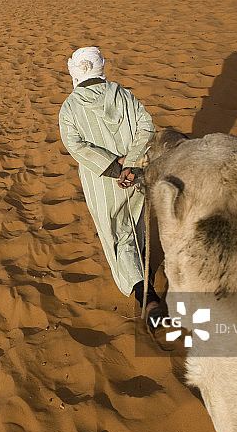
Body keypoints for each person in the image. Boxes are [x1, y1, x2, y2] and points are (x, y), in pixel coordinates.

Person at [58, 46, 161, 329]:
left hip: (102, 183)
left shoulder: (69, 107)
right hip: (135, 176)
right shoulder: (124, 95)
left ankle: (146, 295)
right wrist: (132, 164)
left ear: (74, 72)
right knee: (136, 226)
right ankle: (145, 275)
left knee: (118, 237)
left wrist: (115, 167)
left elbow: (75, 145)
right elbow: (146, 128)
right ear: (101, 67)